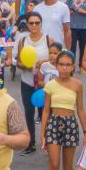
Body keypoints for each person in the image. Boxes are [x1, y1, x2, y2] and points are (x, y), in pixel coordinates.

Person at [40, 49, 86, 170]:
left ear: (73, 66)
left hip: (70, 125)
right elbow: (46, 111)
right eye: (61, 64)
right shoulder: (50, 85)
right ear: (56, 65)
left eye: (68, 65)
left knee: (68, 167)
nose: (64, 68)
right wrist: (43, 134)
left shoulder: (77, 85)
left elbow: (81, 110)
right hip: (53, 124)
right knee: (54, 165)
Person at [15, 12, 51, 154]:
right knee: (29, 113)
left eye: (37, 22)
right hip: (27, 81)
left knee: (45, 113)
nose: (34, 25)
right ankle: (31, 143)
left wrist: (42, 62)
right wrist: (28, 67)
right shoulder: (23, 41)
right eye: (31, 23)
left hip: (44, 83)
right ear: (27, 24)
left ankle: (47, 142)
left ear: (41, 23)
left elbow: (56, 58)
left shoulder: (48, 40)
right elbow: (18, 62)